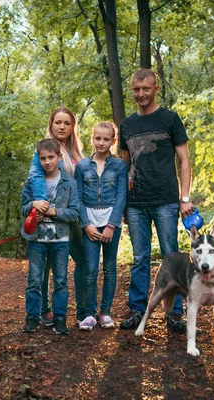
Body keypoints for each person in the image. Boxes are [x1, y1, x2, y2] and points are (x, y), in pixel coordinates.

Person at [118, 68, 194, 332]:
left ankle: (175, 314)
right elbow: (125, 168)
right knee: (139, 258)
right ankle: (137, 310)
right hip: (136, 202)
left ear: (156, 89)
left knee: (171, 257)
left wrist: (185, 198)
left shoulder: (170, 119)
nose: (141, 94)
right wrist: (122, 203)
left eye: (146, 89)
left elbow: (184, 160)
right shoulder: (126, 125)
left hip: (166, 200)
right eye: (136, 90)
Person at [27, 107, 85, 326]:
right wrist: (43, 208)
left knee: (83, 262)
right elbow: (34, 179)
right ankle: (43, 311)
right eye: (58, 122)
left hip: (72, 218)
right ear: (51, 125)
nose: (62, 127)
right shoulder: (43, 151)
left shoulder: (77, 154)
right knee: (44, 267)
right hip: (49, 219)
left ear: (72, 127)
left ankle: (83, 311)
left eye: (67, 123)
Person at [21, 139, 79, 335]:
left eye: (51, 157)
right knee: (35, 279)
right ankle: (32, 317)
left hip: (60, 241)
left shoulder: (69, 183)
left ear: (59, 157)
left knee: (61, 280)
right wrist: (32, 206)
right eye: (43, 158)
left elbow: (74, 212)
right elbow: (23, 208)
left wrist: (53, 212)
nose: (47, 162)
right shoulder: (31, 183)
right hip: (37, 240)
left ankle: (60, 317)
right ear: (38, 159)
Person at [75, 122, 128, 330]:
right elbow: (78, 198)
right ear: (92, 139)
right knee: (90, 269)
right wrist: (86, 224)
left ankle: (105, 312)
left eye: (106, 139)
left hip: (110, 223)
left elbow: (121, 196)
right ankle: (89, 313)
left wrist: (112, 225)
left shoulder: (119, 166)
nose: (101, 143)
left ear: (113, 141)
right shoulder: (82, 166)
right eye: (98, 138)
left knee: (110, 268)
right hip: (90, 224)